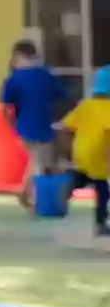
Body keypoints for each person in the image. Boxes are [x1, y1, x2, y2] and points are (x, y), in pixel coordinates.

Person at [0, 39, 67, 209]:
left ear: (17, 57)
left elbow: (5, 107)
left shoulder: (14, 78)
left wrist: (11, 124)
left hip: (24, 127)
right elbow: (62, 96)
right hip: (44, 126)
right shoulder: (46, 75)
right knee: (39, 163)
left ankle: (28, 195)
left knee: (37, 162)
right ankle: (29, 196)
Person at [56, 64, 110, 238]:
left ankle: (72, 184)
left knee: (84, 176)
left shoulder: (85, 105)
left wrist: (66, 150)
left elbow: (64, 126)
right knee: (103, 190)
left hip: (81, 150)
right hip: (99, 153)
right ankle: (100, 224)